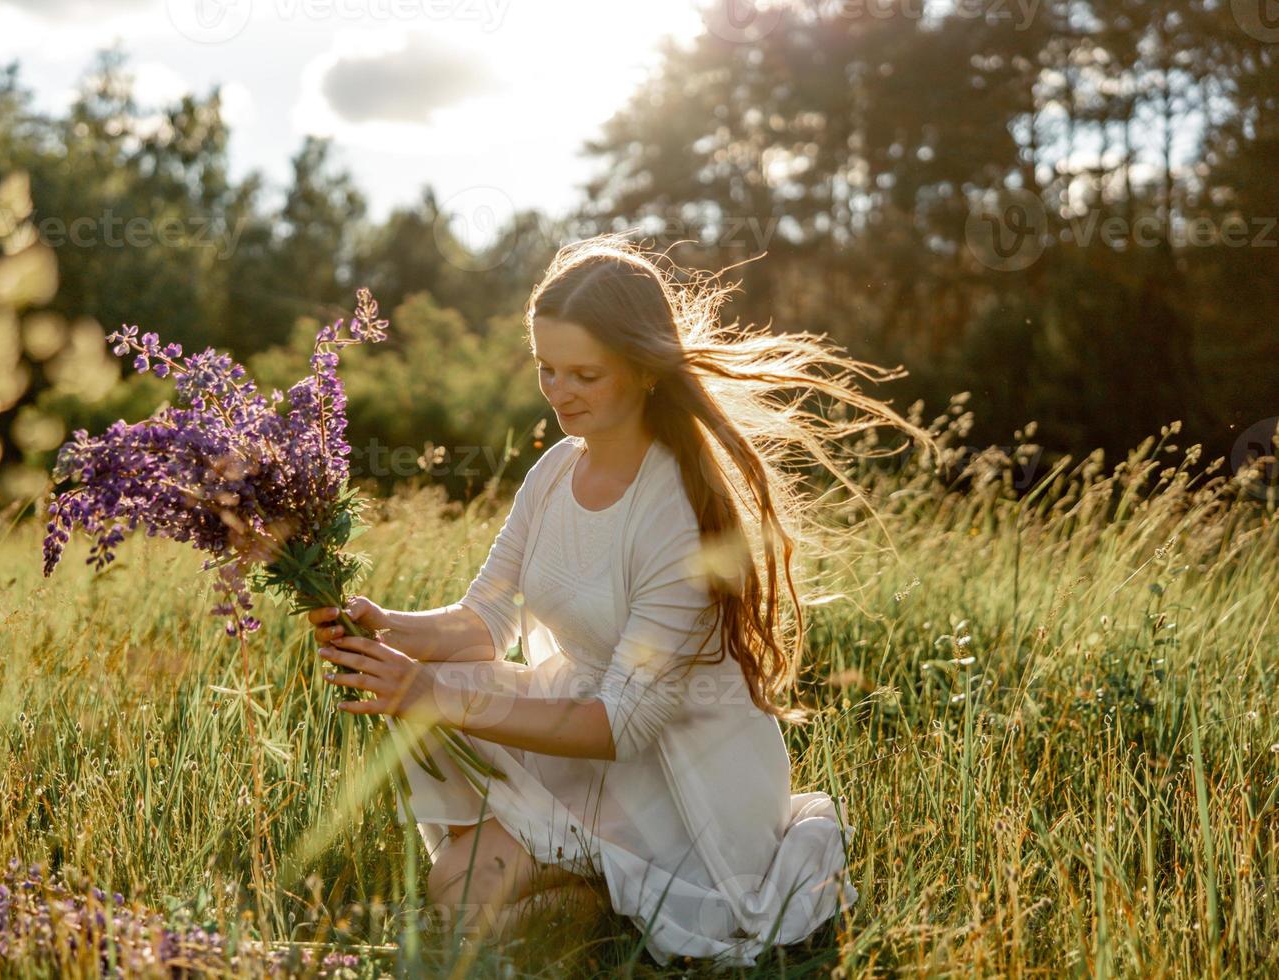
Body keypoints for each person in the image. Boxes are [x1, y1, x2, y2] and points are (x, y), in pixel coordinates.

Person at [309, 233, 937, 967]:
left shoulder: (676, 508)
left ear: (642, 369)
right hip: (589, 738)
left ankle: (614, 896)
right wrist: (387, 627)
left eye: (584, 374)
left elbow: (626, 725)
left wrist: (429, 695)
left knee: (467, 891)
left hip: (682, 779)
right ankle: (593, 898)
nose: (559, 392)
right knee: (456, 886)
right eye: (546, 369)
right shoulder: (553, 471)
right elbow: (486, 620)